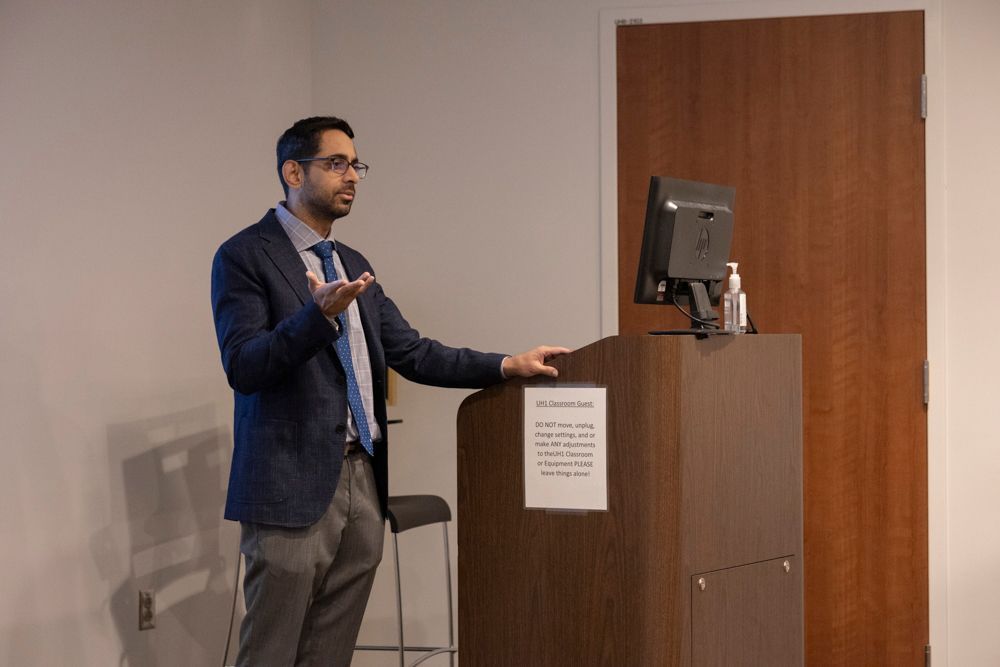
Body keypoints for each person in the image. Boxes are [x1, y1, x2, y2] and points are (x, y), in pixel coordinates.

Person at [211, 116, 569, 666]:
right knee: (271, 654)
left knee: (329, 654)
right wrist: (315, 318)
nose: (352, 176)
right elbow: (244, 366)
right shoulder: (244, 256)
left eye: (356, 165)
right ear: (293, 172)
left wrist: (505, 365)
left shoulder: (353, 264)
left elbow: (414, 352)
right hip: (289, 486)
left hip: (363, 478)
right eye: (336, 163)